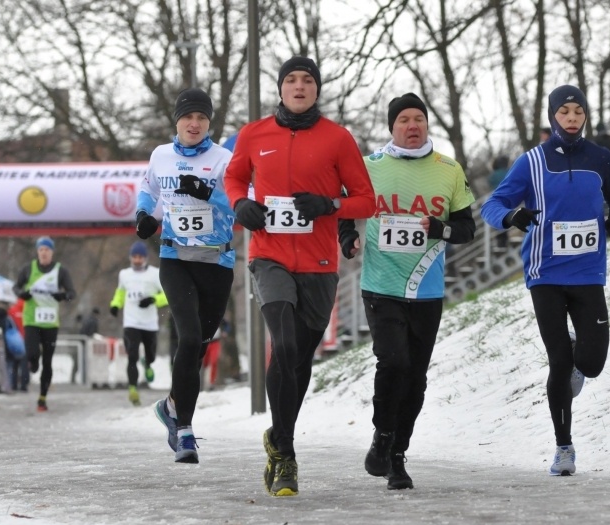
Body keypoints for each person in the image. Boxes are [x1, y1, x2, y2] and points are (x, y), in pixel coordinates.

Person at [223, 56, 376, 497]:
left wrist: (329, 206)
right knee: (284, 343)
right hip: (268, 257)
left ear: (317, 89)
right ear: (281, 88)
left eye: (307, 79)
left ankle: (277, 436)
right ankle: (286, 455)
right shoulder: (254, 134)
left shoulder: (338, 139)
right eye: (291, 79)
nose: (299, 85)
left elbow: (365, 200)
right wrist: (240, 205)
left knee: (299, 361)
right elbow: (233, 178)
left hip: (319, 265)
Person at [480, 85, 610, 477]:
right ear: (552, 116)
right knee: (558, 361)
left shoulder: (601, 158)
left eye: (579, 110)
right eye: (564, 111)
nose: (573, 118)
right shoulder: (532, 161)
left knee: (591, 363)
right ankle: (564, 448)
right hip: (544, 273)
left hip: (588, 272)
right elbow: (492, 204)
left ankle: (581, 361)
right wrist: (511, 218)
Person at [339, 93, 476, 490]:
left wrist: (440, 228)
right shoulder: (369, 167)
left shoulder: (448, 169)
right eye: (404, 120)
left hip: (427, 289)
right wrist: (348, 238)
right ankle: (382, 436)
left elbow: (466, 229)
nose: (412, 126)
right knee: (393, 362)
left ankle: (397, 455)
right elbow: (346, 212)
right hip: (381, 285)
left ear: (427, 124)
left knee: (415, 377)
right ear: (392, 127)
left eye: (419, 119)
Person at [138, 87, 236, 464]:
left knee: (197, 349)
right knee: (189, 336)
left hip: (216, 263)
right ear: (176, 121)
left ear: (209, 122)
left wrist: (208, 193)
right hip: (175, 258)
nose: (194, 124)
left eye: (201, 117)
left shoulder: (224, 159)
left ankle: (171, 406)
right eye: (187, 117)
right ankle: (185, 432)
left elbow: (243, 200)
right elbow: (149, 188)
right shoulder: (161, 155)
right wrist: (144, 216)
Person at [12, 236, 76, 411]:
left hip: (50, 323)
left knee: (48, 361)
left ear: (52, 252)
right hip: (31, 319)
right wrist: (22, 294)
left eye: (47, 249)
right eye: (41, 249)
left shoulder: (60, 271)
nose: (44, 252)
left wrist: (62, 296)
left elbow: (72, 293)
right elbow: (16, 287)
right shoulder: (28, 269)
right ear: (38, 251)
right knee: (32, 354)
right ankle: (33, 362)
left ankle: (42, 397)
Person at [109, 241, 167, 406]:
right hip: (131, 322)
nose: (137, 260)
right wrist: (115, 305)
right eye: (134, 256)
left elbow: (167, 296)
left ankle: (148, 364)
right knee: (132, 355)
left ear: (146, 258)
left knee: (151, 355)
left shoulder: (155, 274)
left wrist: (152, 300)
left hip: (149, 323)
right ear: (130, 258)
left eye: (140, 257)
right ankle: (133, 389)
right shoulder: (124, 274)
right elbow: (120, 293)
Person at [487, 155, 511, 248]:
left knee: (498, 220)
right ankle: (503, 242)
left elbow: (490, 184)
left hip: (496, 199)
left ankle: (501, 243)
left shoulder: (493, 175)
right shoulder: (508, 172)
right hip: (508, 199)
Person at [7, 298, 28, 392]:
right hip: (27, 339)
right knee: (25, 365)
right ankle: (24, 385)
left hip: (14, 340)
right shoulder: (28, 309)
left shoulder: (12, 310)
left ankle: (13, 384)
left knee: (14, 364)